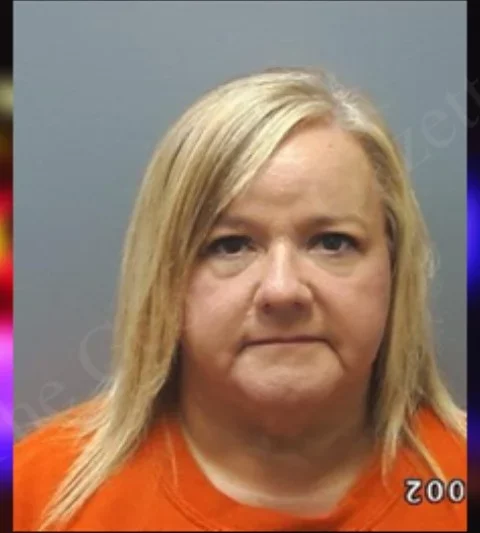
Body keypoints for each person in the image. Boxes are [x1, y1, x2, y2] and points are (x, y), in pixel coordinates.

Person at [14, 67, 466, 531]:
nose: (282, 290)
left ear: (394, 267)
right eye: (230, 245)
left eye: (332, 242)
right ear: (164, 279)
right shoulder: (37, 493)